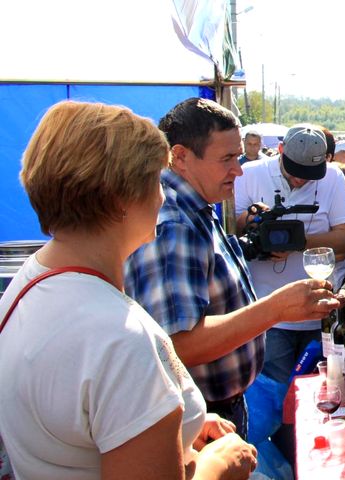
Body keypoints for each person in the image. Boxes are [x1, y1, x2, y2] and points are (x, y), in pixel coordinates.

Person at [0, 100, 257, 479]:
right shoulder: (120, 337)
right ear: (121, 199)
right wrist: (222, 462)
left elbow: (82, 425)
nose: (163, 195)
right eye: (155, 179)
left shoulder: (29, 282)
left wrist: (180, 424)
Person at [125, 98, 338, 439]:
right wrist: (276, 309)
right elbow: (178, 345)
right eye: (227, 159)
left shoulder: (195, 205)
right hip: (203, 422)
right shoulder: (175, 225)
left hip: (215, 411)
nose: (238, 171)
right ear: (180, 157)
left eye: (238, 158)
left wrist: (248, 248)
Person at [234, 124, 345, 384]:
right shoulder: (248, 174)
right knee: (274, 396)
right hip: (267, 316)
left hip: (318, 313)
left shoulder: (333, 178)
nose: (300, 179)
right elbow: (230, 228)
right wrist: (254, 224)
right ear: (280, 150)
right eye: (295, 171)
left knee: (320, 391)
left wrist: (296, 242)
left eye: (309, 174)